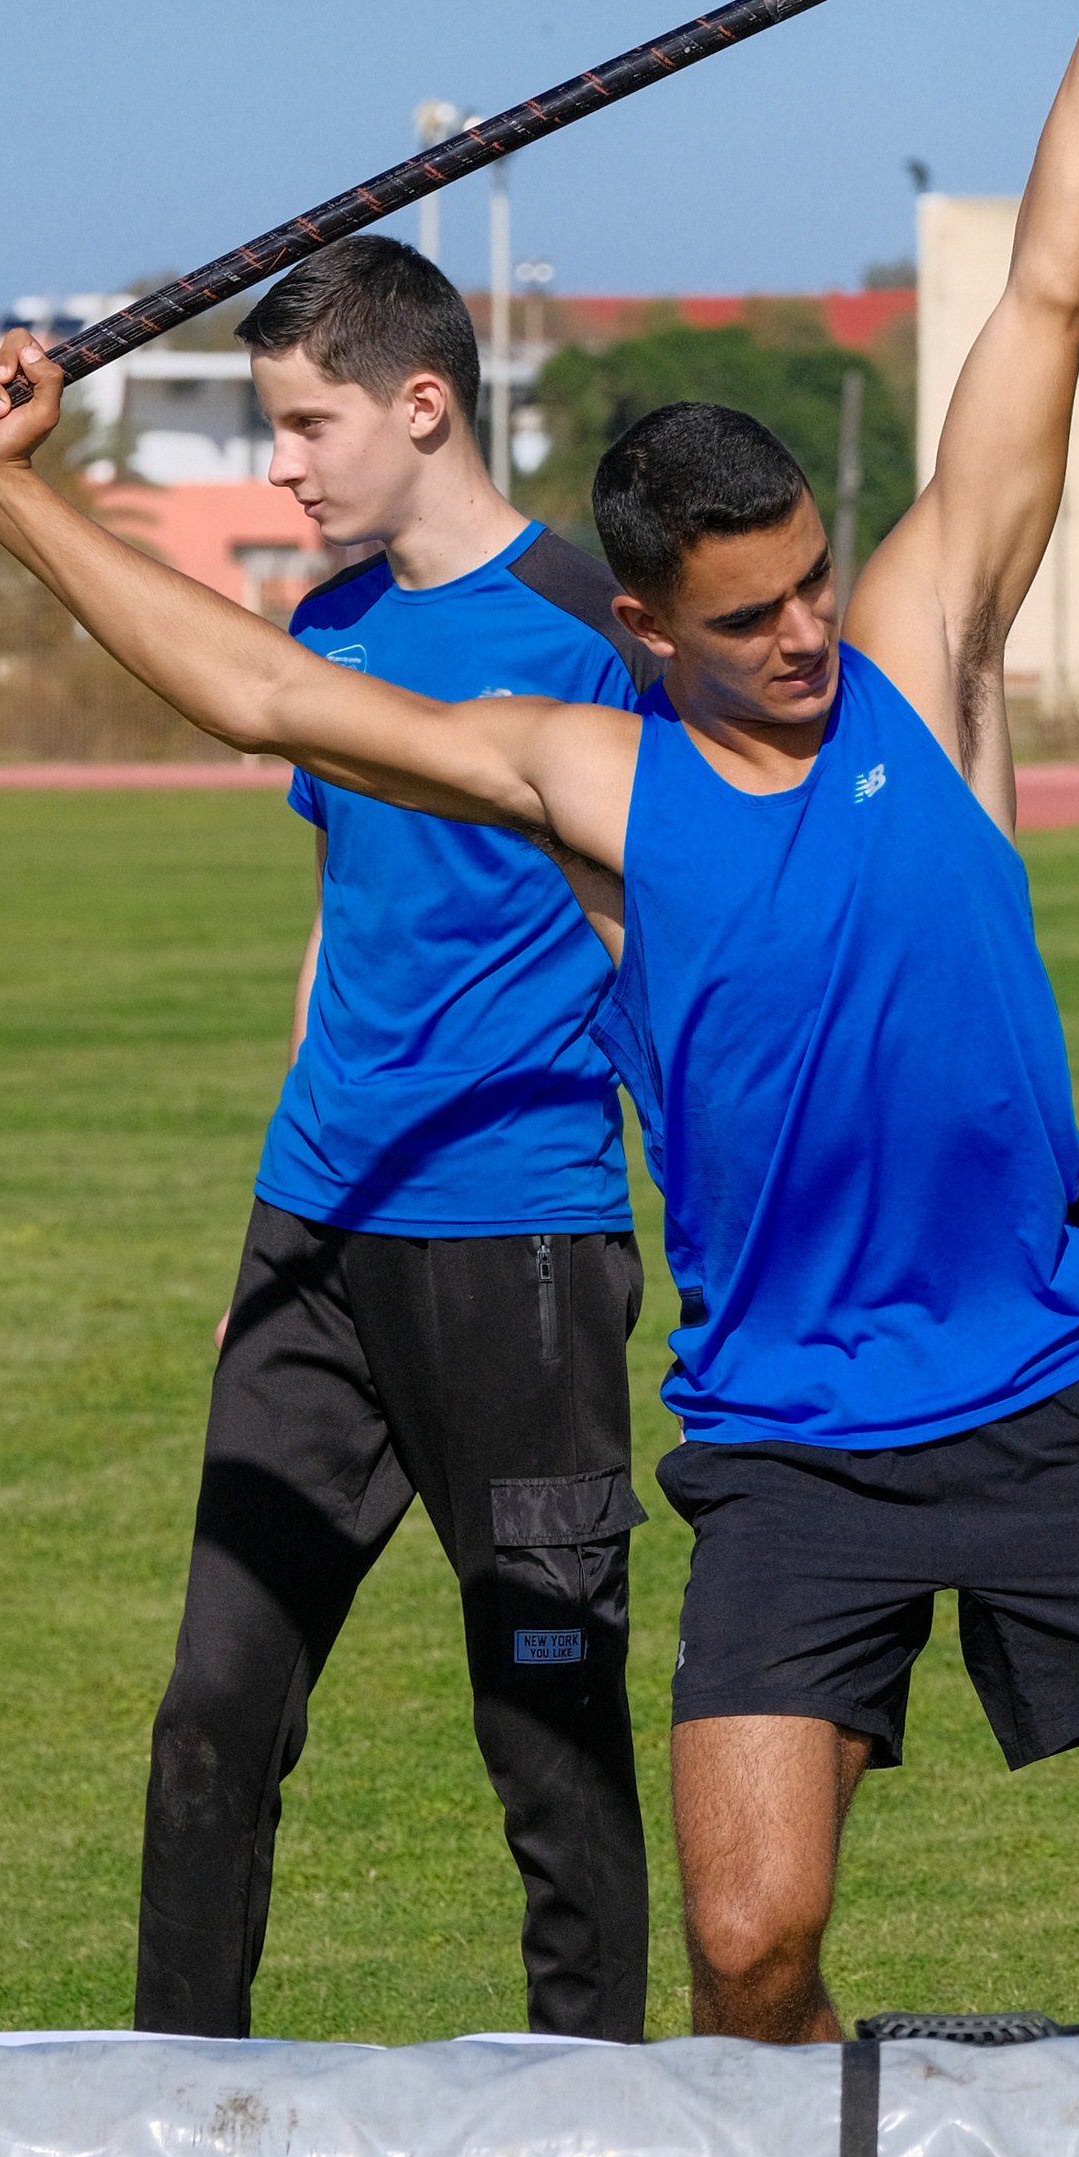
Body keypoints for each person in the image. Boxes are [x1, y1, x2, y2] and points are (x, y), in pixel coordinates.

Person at [0, 0, 1079, 2050]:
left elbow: (1043, 292)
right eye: (747, 615)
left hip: (1049, 1391)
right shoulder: (595, 778)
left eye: (813, 582)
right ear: (650, 623)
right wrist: (14, 496)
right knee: (742, 1943)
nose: (805, 637)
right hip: (787, 1437)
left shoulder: (918, 671)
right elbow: (246, 677)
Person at [131, 238, 654, 2043]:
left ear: (419, 406)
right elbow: (344, 919)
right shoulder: (331, 628)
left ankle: (599, 2127)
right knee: (215, 1706)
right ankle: (164, 2115)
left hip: (517, 1249)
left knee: (549, 1719)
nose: (281, 465)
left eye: (304, 423)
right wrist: (263, 1250)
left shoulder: (601, 629)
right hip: (313, 1247)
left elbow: (654, 932)